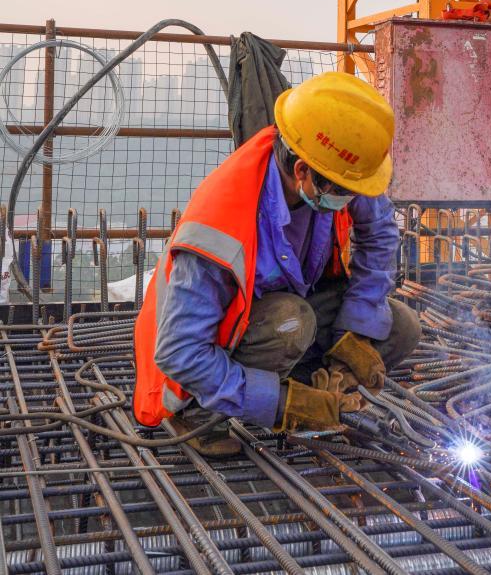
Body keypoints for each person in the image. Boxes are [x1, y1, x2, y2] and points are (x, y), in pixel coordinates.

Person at [133, 72, 421, 455]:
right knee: (292, 321)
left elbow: (380, 232)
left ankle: (321, 393)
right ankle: (201, 414)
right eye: (347, 193)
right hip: (201, 352)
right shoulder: (221, 223)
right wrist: (284, 405)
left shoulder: (333, 167)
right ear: (302, 171)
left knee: (400, 326)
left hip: (286, 313)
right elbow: (179, 353)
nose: (354, 201)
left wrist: (354, 332)